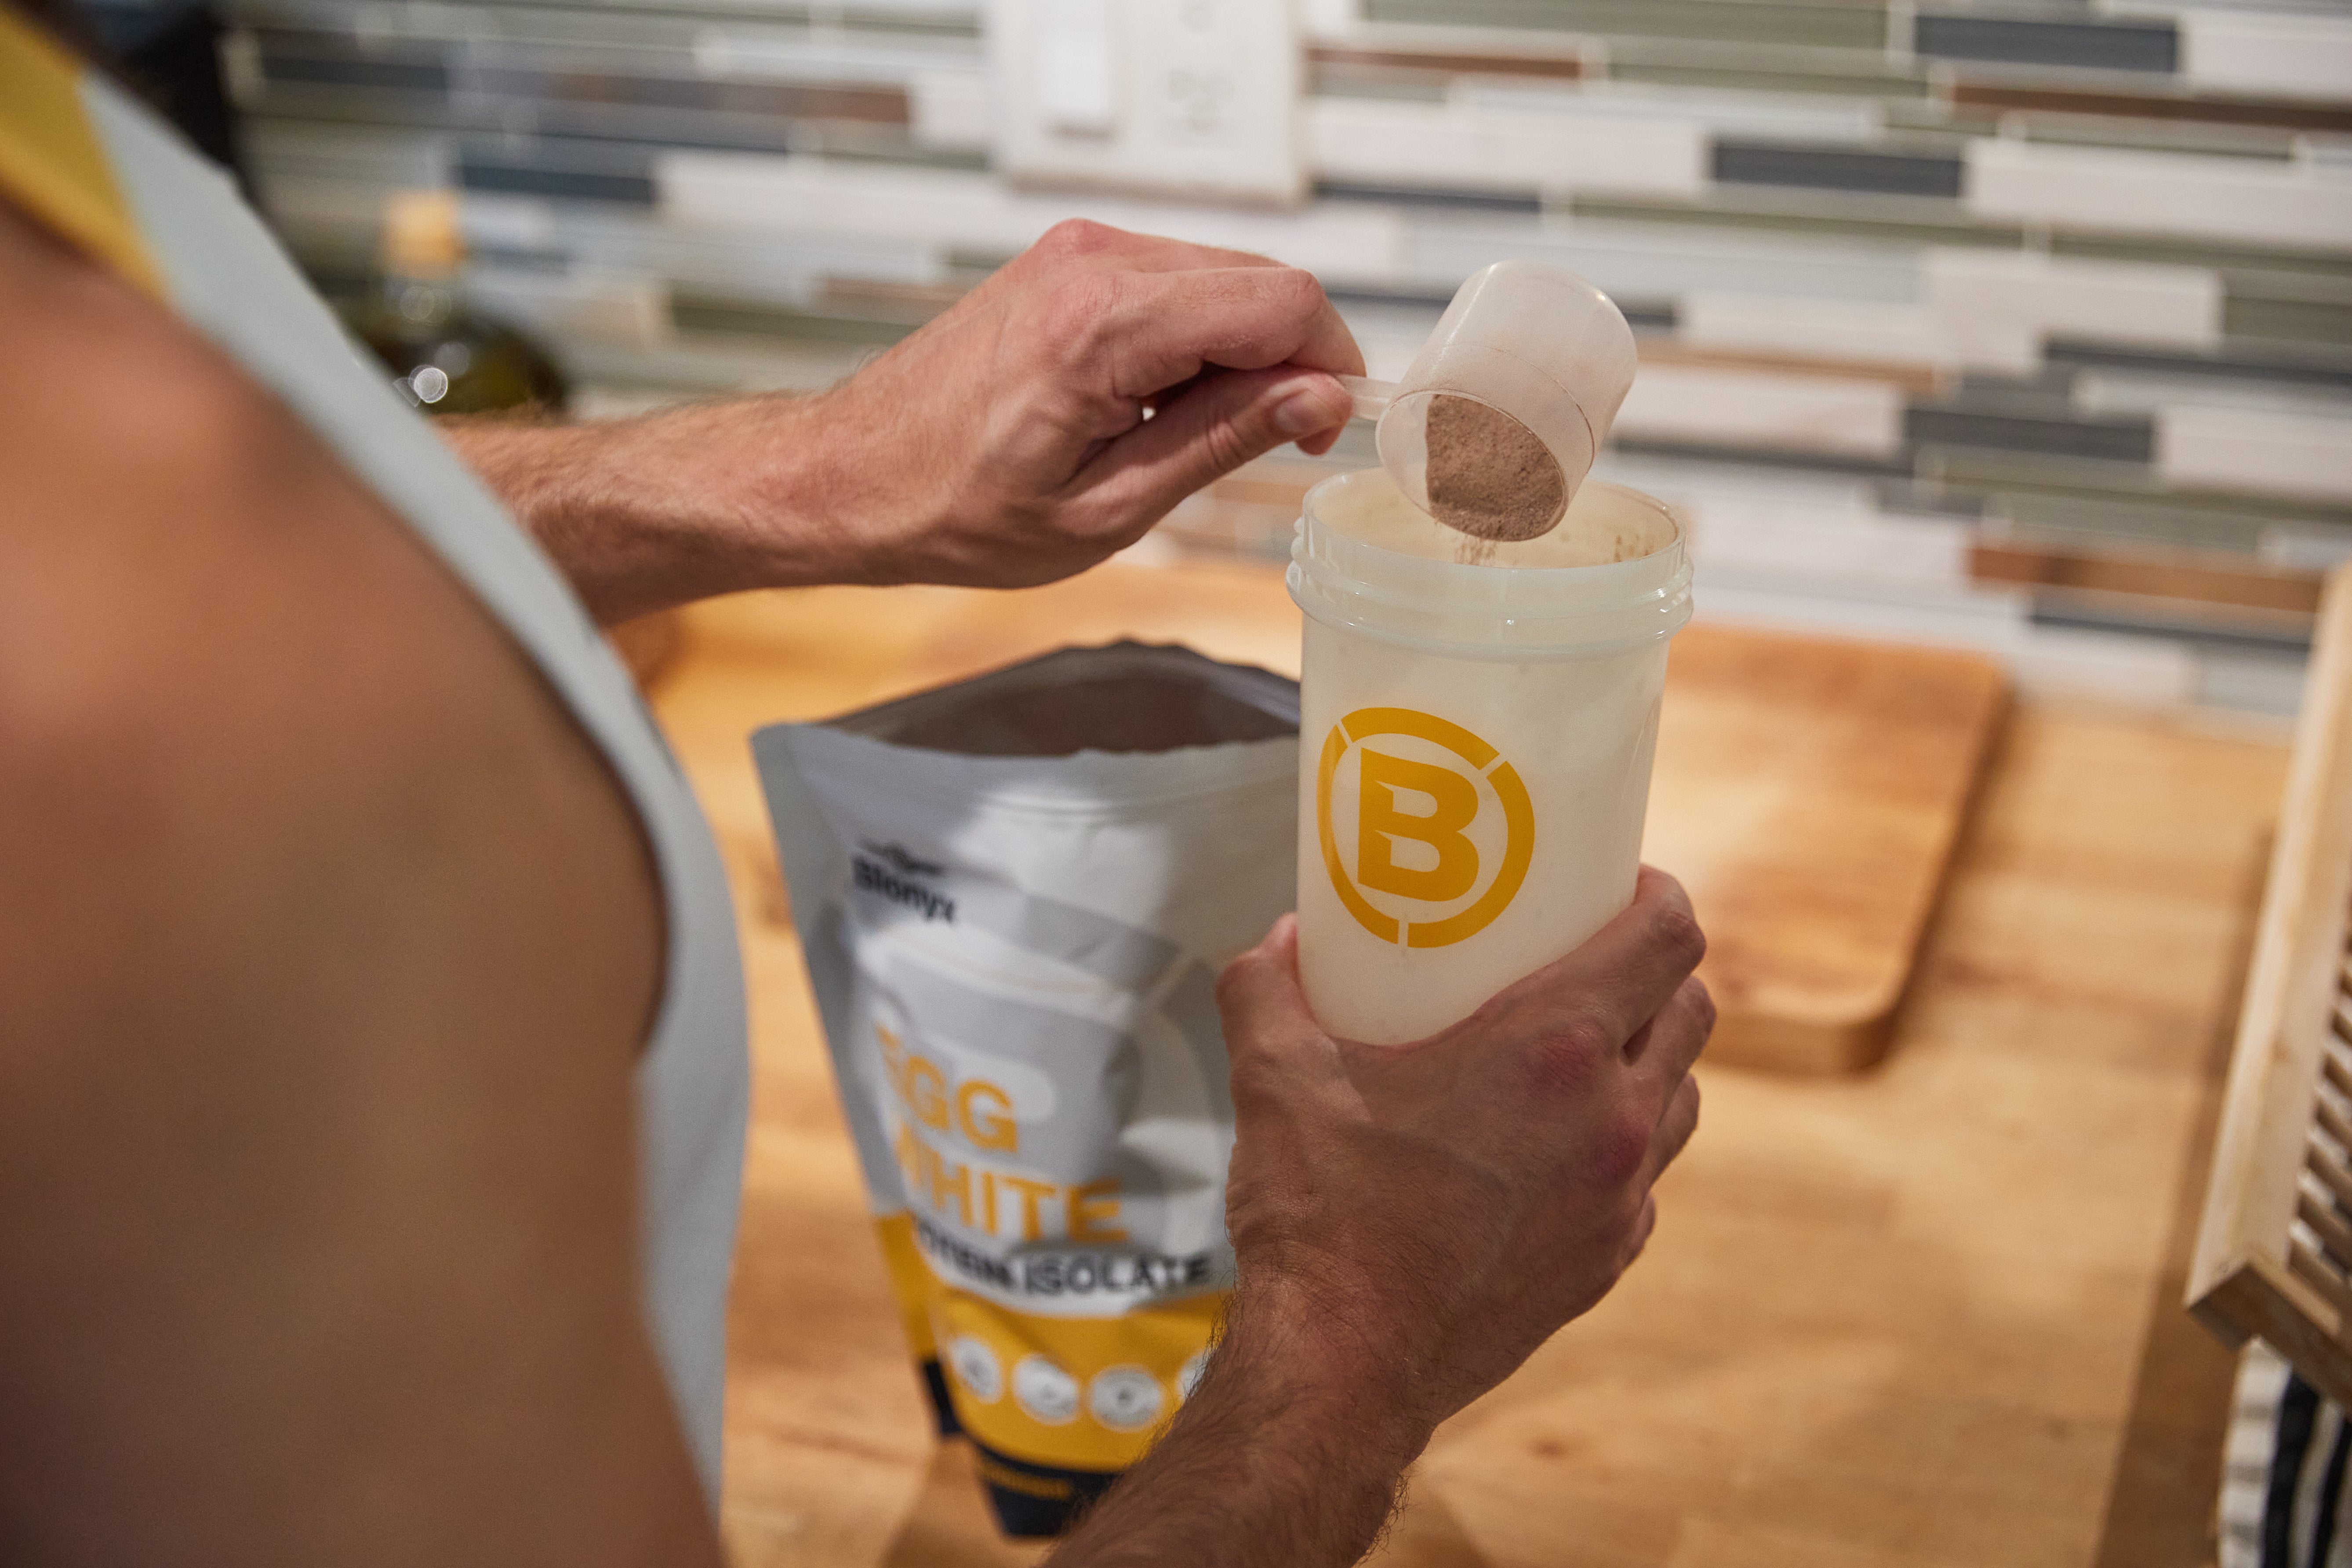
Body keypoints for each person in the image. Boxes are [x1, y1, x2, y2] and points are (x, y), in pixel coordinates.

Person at [0, 6, 1712, 1563]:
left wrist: (791, 474)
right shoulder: (118, 618)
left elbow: (328, 517)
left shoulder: (51, 143)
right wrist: (1360, 1325)